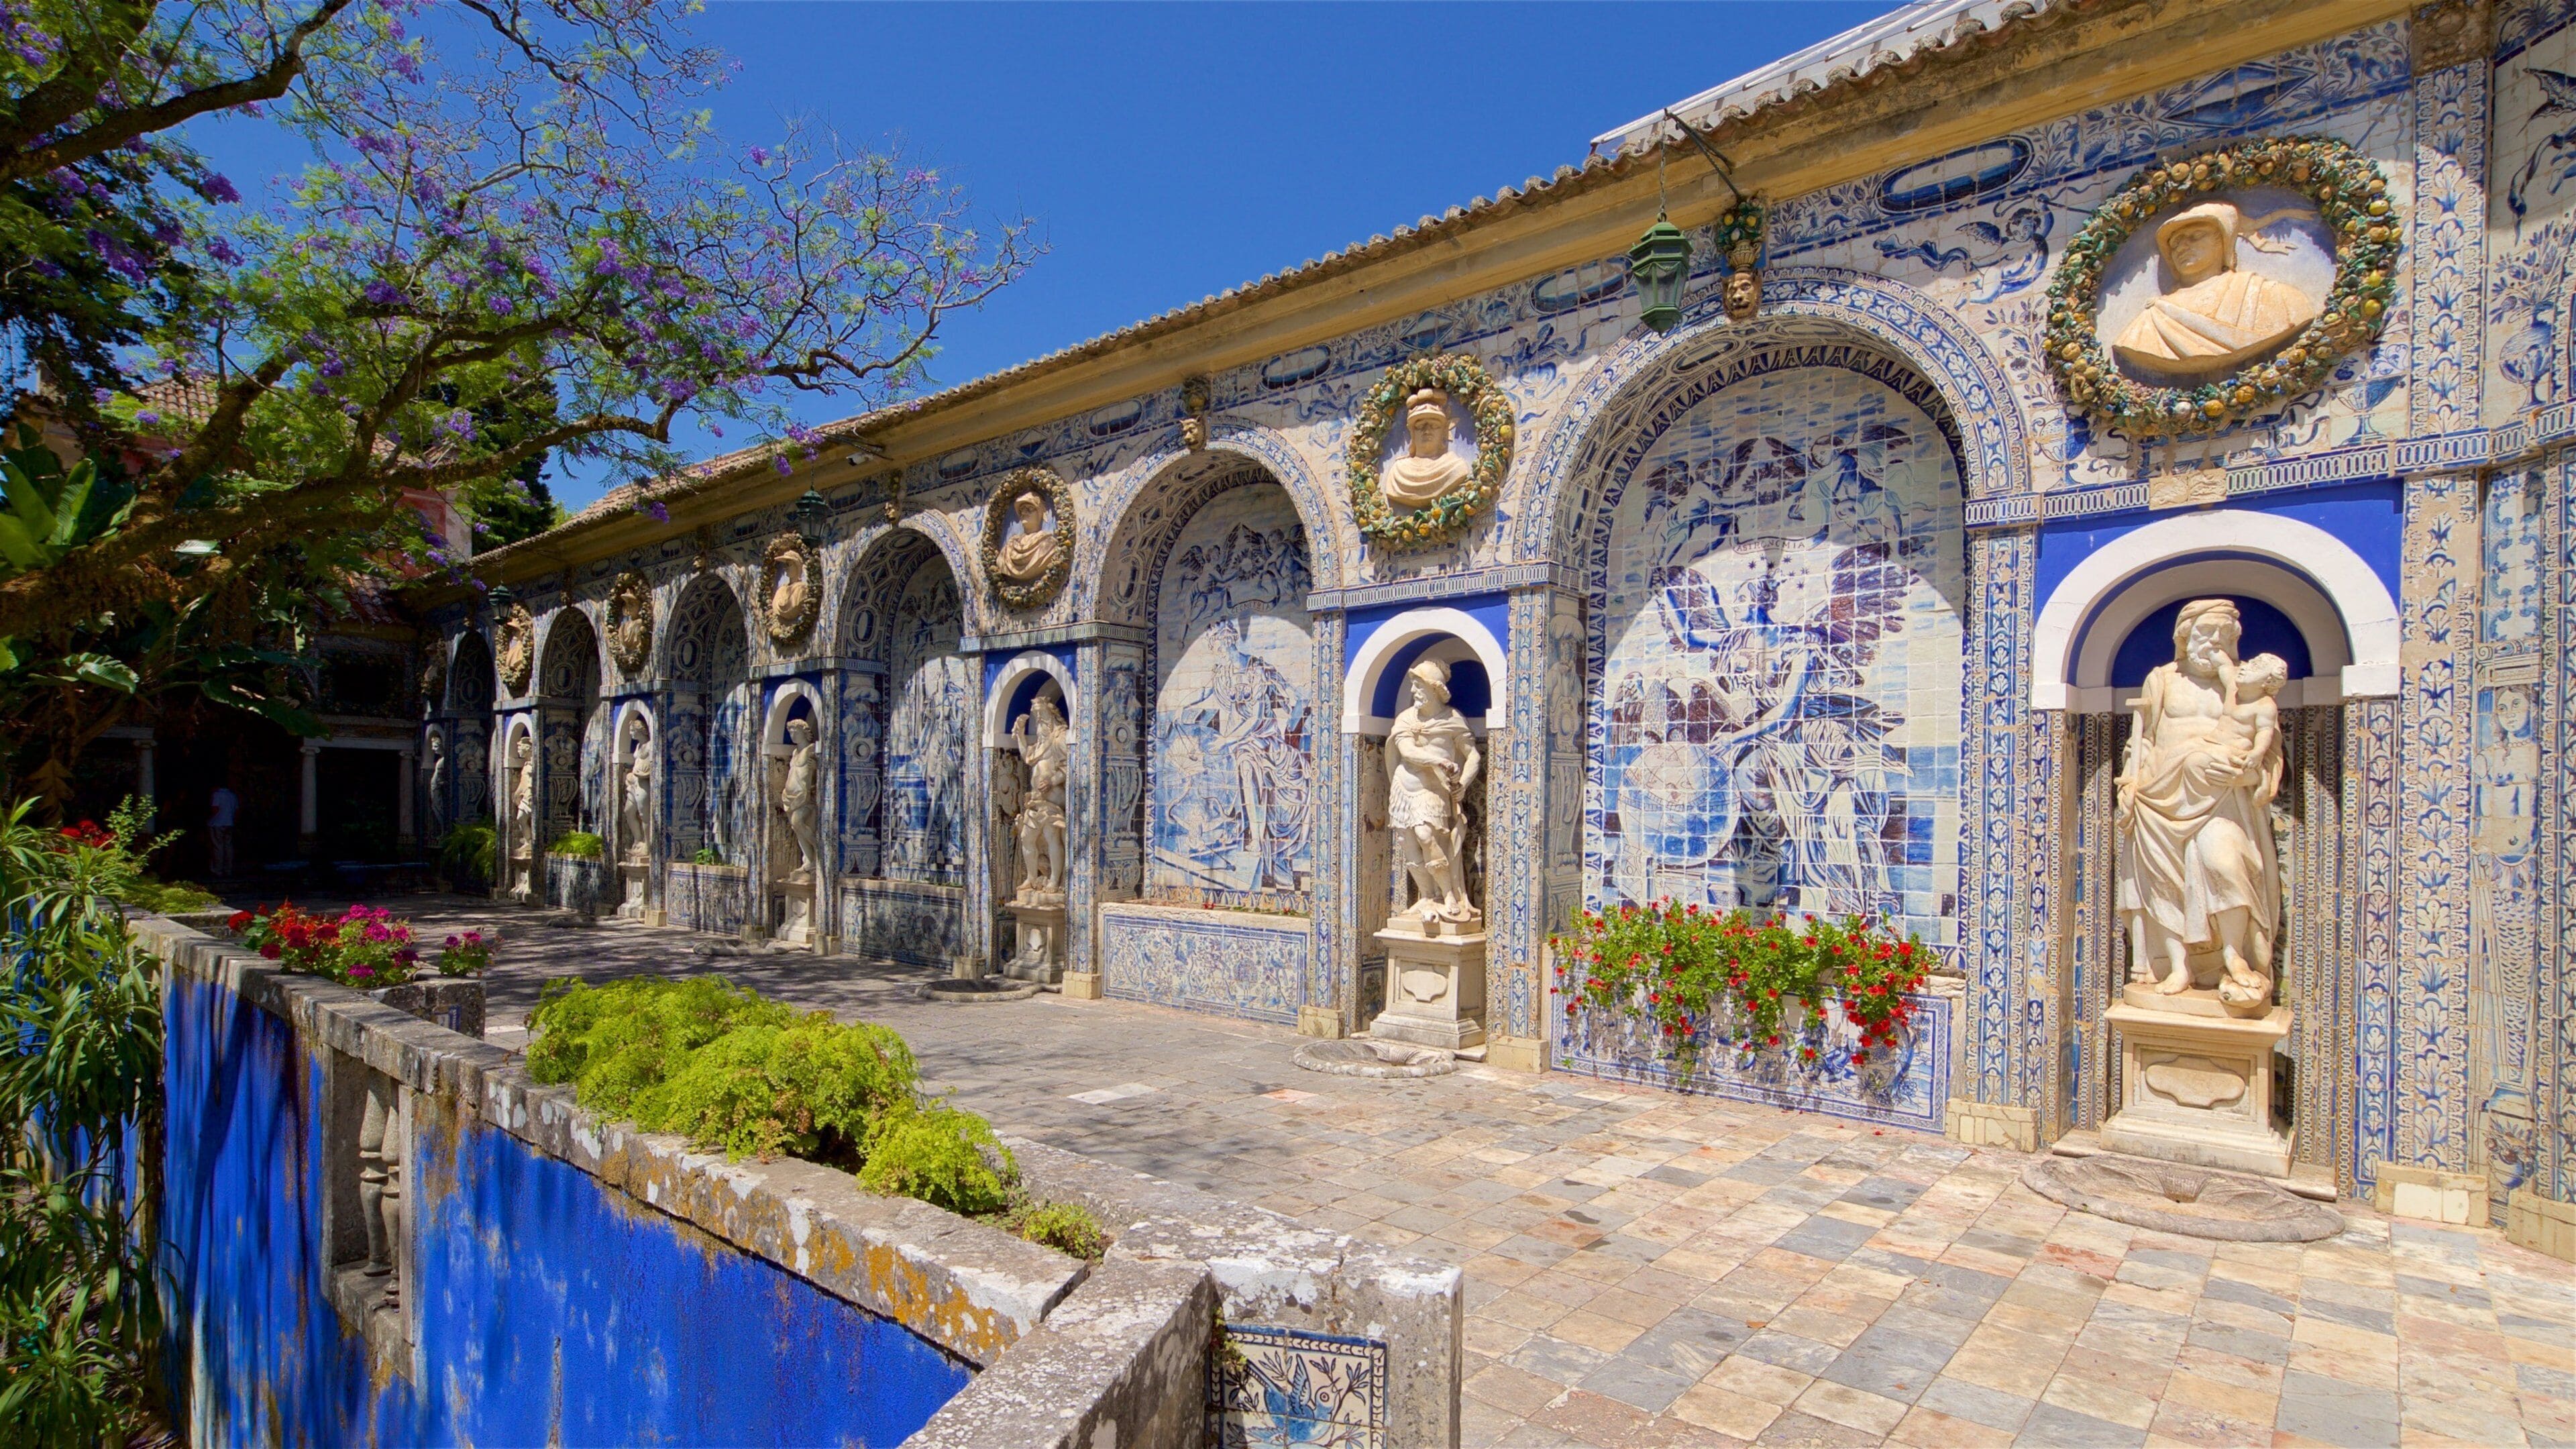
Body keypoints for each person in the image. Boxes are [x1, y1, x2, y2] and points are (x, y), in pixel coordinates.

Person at [208, 782, 239, 876]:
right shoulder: (233, 796)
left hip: (218, 823)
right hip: (229, 823)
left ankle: (218, 870)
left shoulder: (217, 795)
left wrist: (209, 819)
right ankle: (228, 869)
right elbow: (237, 810)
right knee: (228, 846)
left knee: (218, 847)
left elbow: (215, 809)